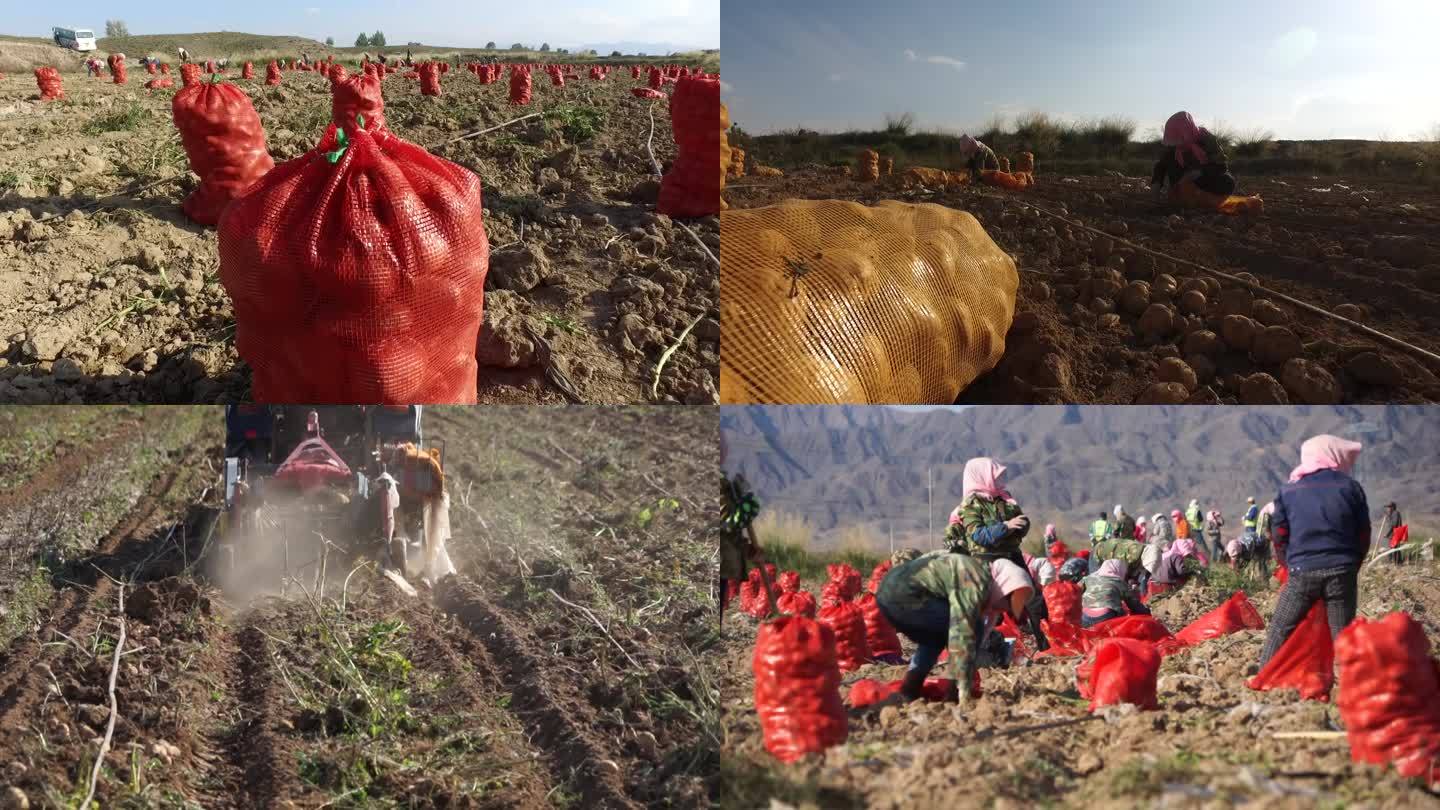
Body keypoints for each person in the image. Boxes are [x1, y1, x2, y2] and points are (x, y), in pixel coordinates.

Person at [1258, 436, 1370, 668]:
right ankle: (1350, 683)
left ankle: (1265, 674)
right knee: (1342, 632)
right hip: (1342, 569)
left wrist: (1289, 563)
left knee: (1281, 626)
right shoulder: (1350, 487)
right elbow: (1363, 533)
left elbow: (1279, 534)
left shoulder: (1288, 491)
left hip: (1302, 571)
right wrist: (1351, 564)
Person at [874, 553, 1031, 705]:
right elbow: (962, 631)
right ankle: (953, 691)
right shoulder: (975, 576)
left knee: (934, 639)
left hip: (887, 596)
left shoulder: (973, 568)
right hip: (905, 595)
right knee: (972, 627)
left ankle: (909, 690)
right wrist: (963, 689)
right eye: (1008, 602)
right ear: (1004, 584)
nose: (1004, 610)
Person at [947, 457, 1029, 565]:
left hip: (1013, 557)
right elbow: (978, 535)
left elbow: (1019, 521)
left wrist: (1023, 524)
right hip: (986, 562)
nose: (1000, 480)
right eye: (995, 476)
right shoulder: (971, 504)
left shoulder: (1004, 498)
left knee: (1028, 581)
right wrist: (1006, 527)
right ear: (982, 476)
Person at [1149, 111, 1236, 198]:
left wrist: (1197, 173)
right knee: (1169, 161)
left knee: (1228, 181)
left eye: (1179, 140)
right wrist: (1156, 183)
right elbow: (1161, 165)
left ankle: (1200, 196)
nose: (1176, 145)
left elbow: (1222, 167)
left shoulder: (1208, 140)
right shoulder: (1174, 147)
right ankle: (1181, 193)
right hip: (1181, 182)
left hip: (1204, 180)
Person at [1080, 560, 1150, 628]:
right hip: (1106, 617)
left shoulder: (1088, 578)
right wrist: (1149, 613)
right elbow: (1134, 606)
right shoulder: (1119, 582)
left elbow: (1075, 590)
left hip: (1084, 616)